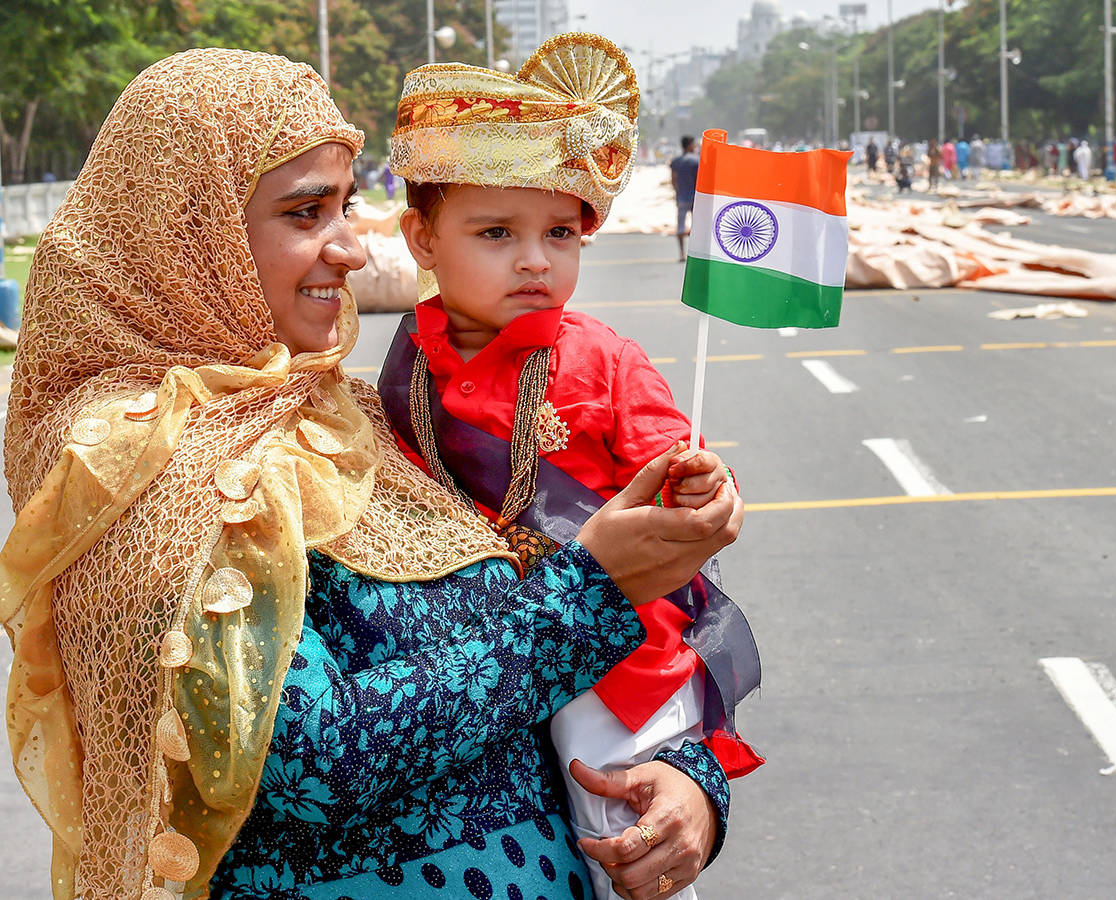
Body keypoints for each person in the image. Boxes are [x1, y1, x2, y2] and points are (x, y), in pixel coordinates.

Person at [0, 48, 743, 900]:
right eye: (306, 212)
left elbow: (527, 648)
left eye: (346, 206)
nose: (351, 249)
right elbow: (308, 761)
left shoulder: (353, 410)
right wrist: (595, 590)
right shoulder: (134, 462)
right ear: (188, 232)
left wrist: (691, 782)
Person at [380, 34, 762, 900]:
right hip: (471, 658)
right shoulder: (403, 371)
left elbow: (678, 465)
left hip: (613, 664)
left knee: (622, 836)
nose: (535, 260)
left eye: (560, 232)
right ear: (421, 238)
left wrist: (700, 487)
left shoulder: (604, 357)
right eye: (496, 232)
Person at [670, 135, 700, 261]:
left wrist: (677, 192)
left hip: (681, 197)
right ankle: (696, 254)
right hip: (695, 198)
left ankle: (681, 254)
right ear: (689, 146)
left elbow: (673, 179)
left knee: (681, 226)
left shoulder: (676, 161)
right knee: (697, 226)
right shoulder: (696, 160)